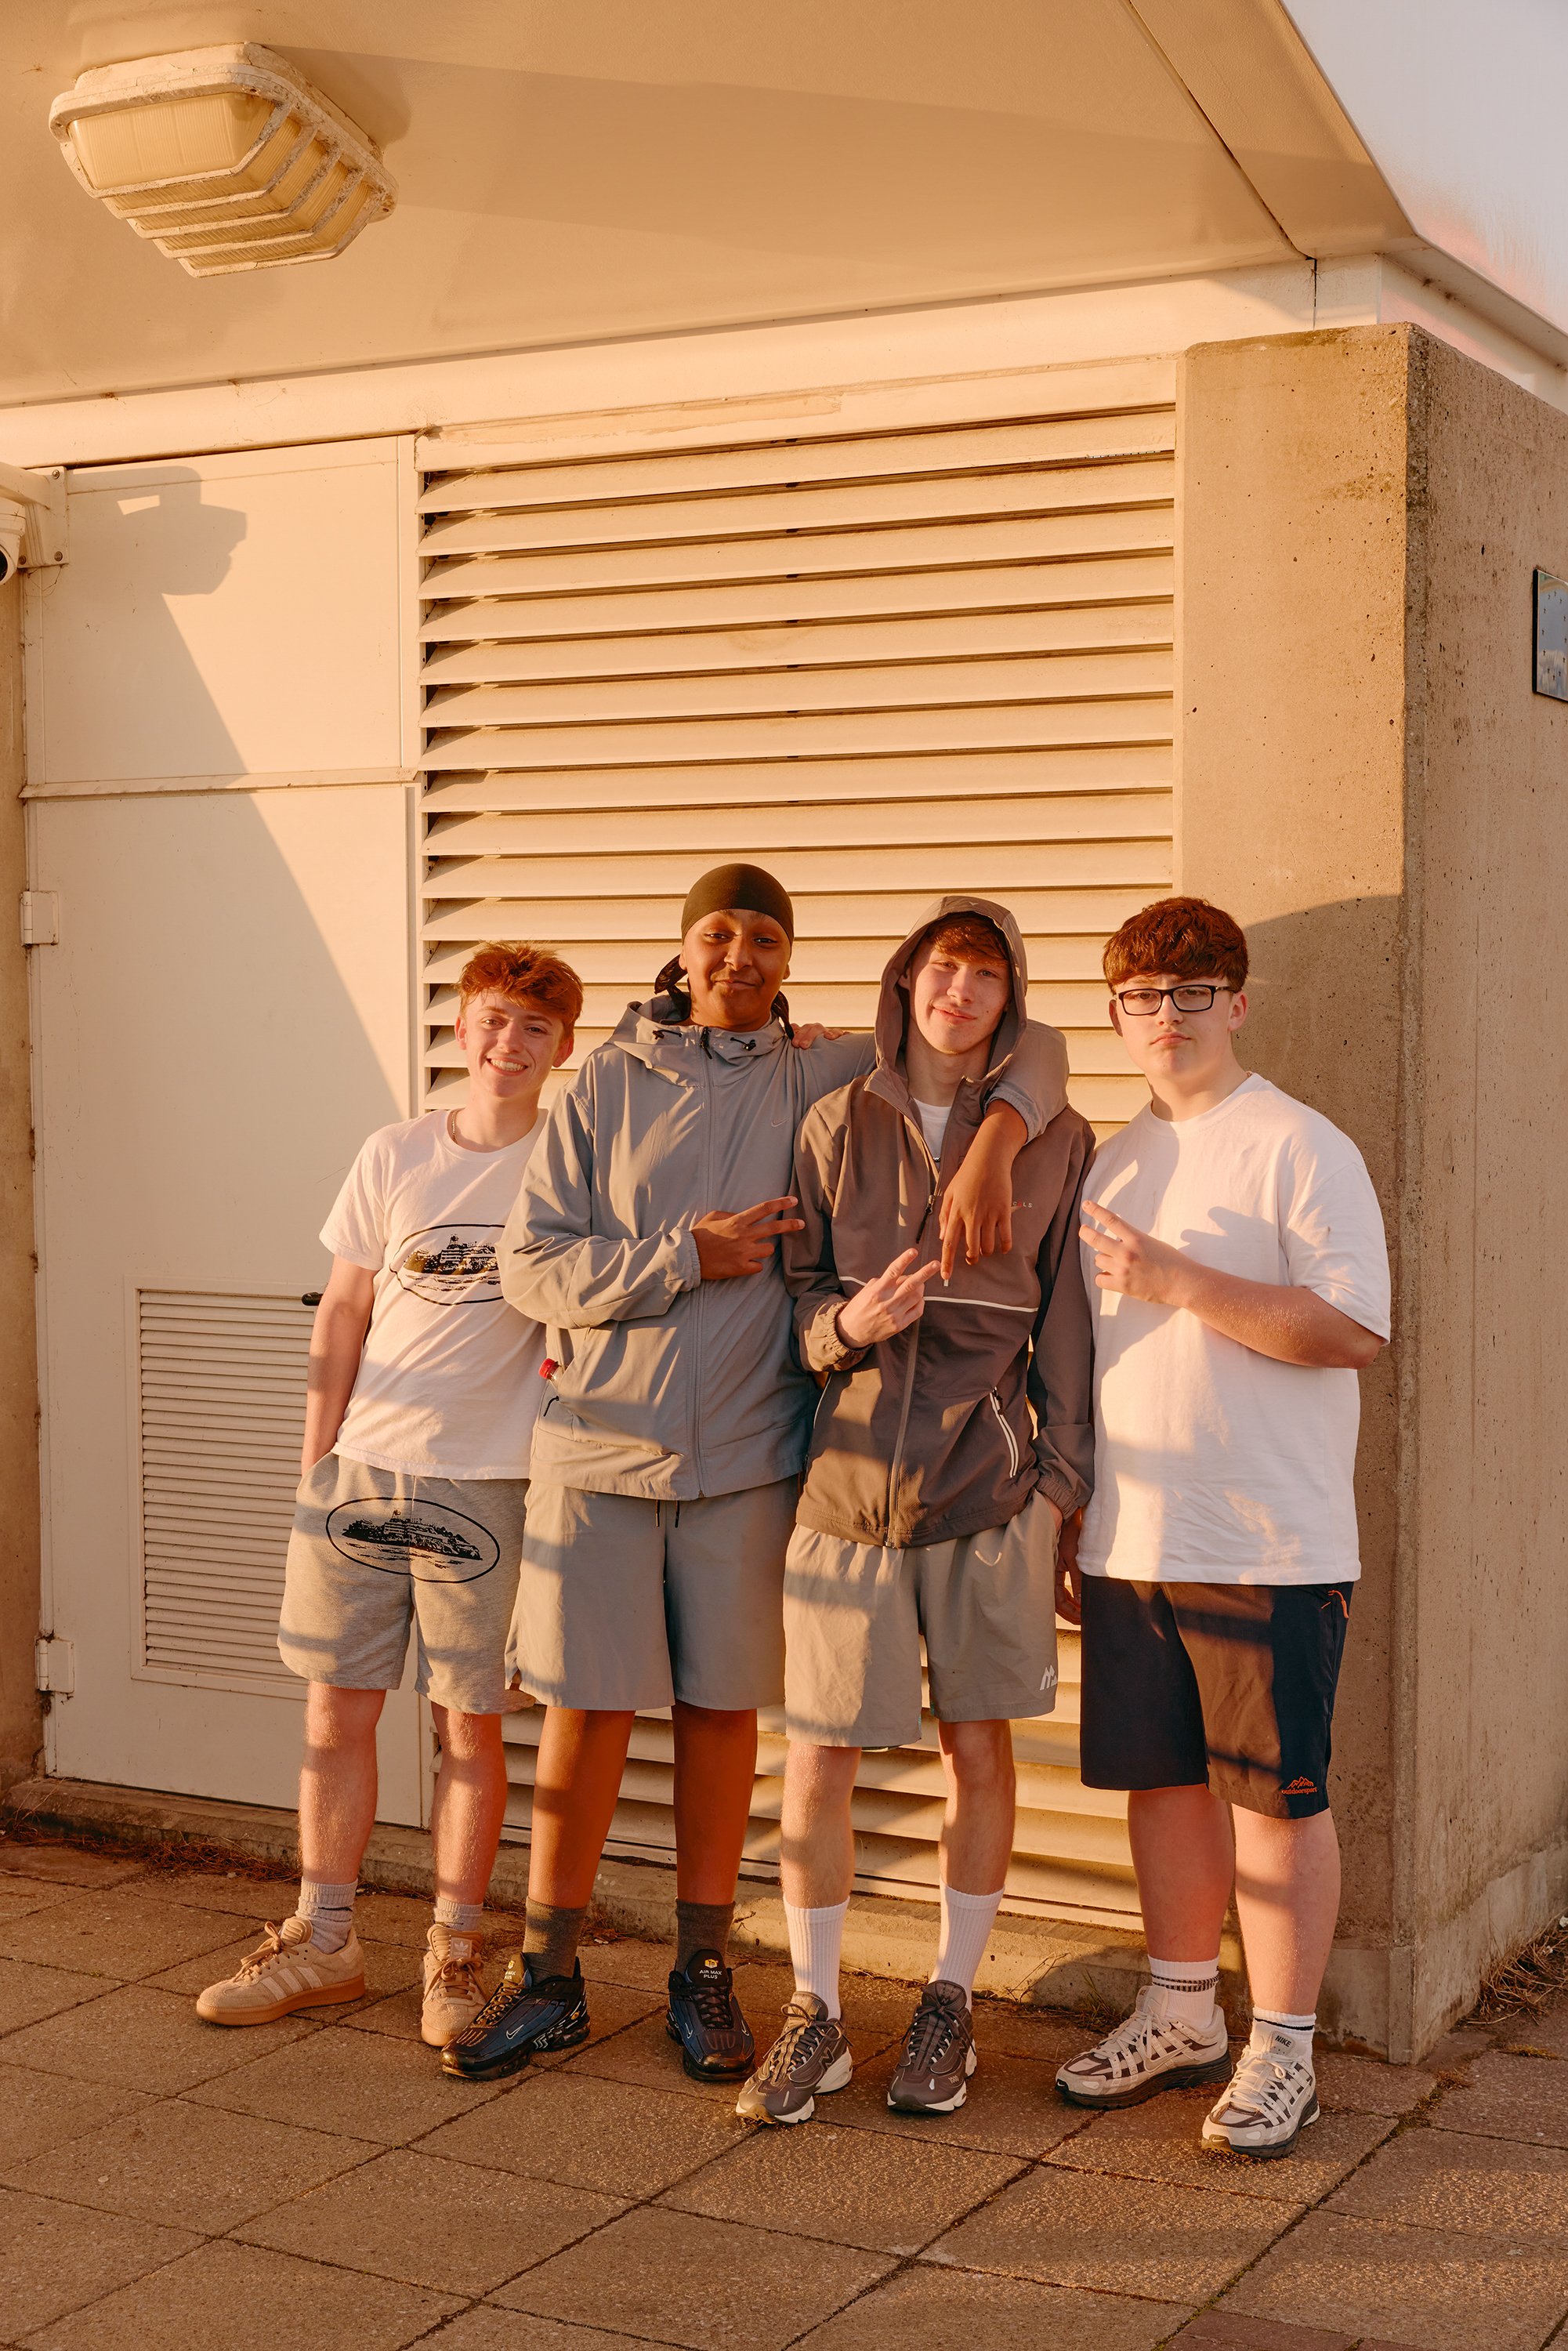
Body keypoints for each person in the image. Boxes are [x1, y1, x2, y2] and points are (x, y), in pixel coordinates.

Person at [442, 864, 1063, 2085]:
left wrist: (995, 1135)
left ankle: (702, 1973)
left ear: (789, 960)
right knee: (585, 1714)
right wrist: (689, 1255)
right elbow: (531, 1270)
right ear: (684, 952)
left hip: (751, 1456)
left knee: (728, 1715)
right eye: (718, 934)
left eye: (765, 938)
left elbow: (1021, 1044)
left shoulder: (823, 1072)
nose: (740, 954)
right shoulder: (604, 1085)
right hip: (601, 1455)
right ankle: (550, 1976)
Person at [736, 899, 1094, 2125]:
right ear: (907, 983)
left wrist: (1063, 1483)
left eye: (984, 976)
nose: (959, 993)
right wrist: (849, 1327)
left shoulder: (1056, 1133)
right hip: (843, 1494)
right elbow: (792, 1306)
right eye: (942, 971)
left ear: (1010, 996)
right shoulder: (839, 1117)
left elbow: (1070, 1328)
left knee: (976, 1748)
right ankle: (817, 2012)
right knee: (819, 1755)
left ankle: (949, 2003)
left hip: (986, 1494)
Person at [196, 943, 581, 2049]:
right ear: (461, 1028)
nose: (508, 1044)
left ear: (561, 1050)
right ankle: (324, 1943)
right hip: (361, 1472)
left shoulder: (563, 1164)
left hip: (490, 1479)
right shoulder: (396, 1152)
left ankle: (453, 1957)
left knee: (470, 1725)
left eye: (534, 1029)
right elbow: (346, 1308)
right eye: (493, 1020)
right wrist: (318, 1457)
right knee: (335, 1710)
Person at [1054, 896, 1389, 2159]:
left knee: (1277, 1802)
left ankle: (1281, 2049)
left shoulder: (1300, 1145)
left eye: (1192, 993)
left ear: (1236, 1005)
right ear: (1117, 1015)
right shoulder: (1112, 1158)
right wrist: (1073, 1501)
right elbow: (1090, 1353)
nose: (1166, 1017)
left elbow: (1350, 1332)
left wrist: (1178, 1279)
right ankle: (1182, 2010)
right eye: (1141, 996)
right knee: (1160, 1788)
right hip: (1134, 1536)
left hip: (1267, 1541)